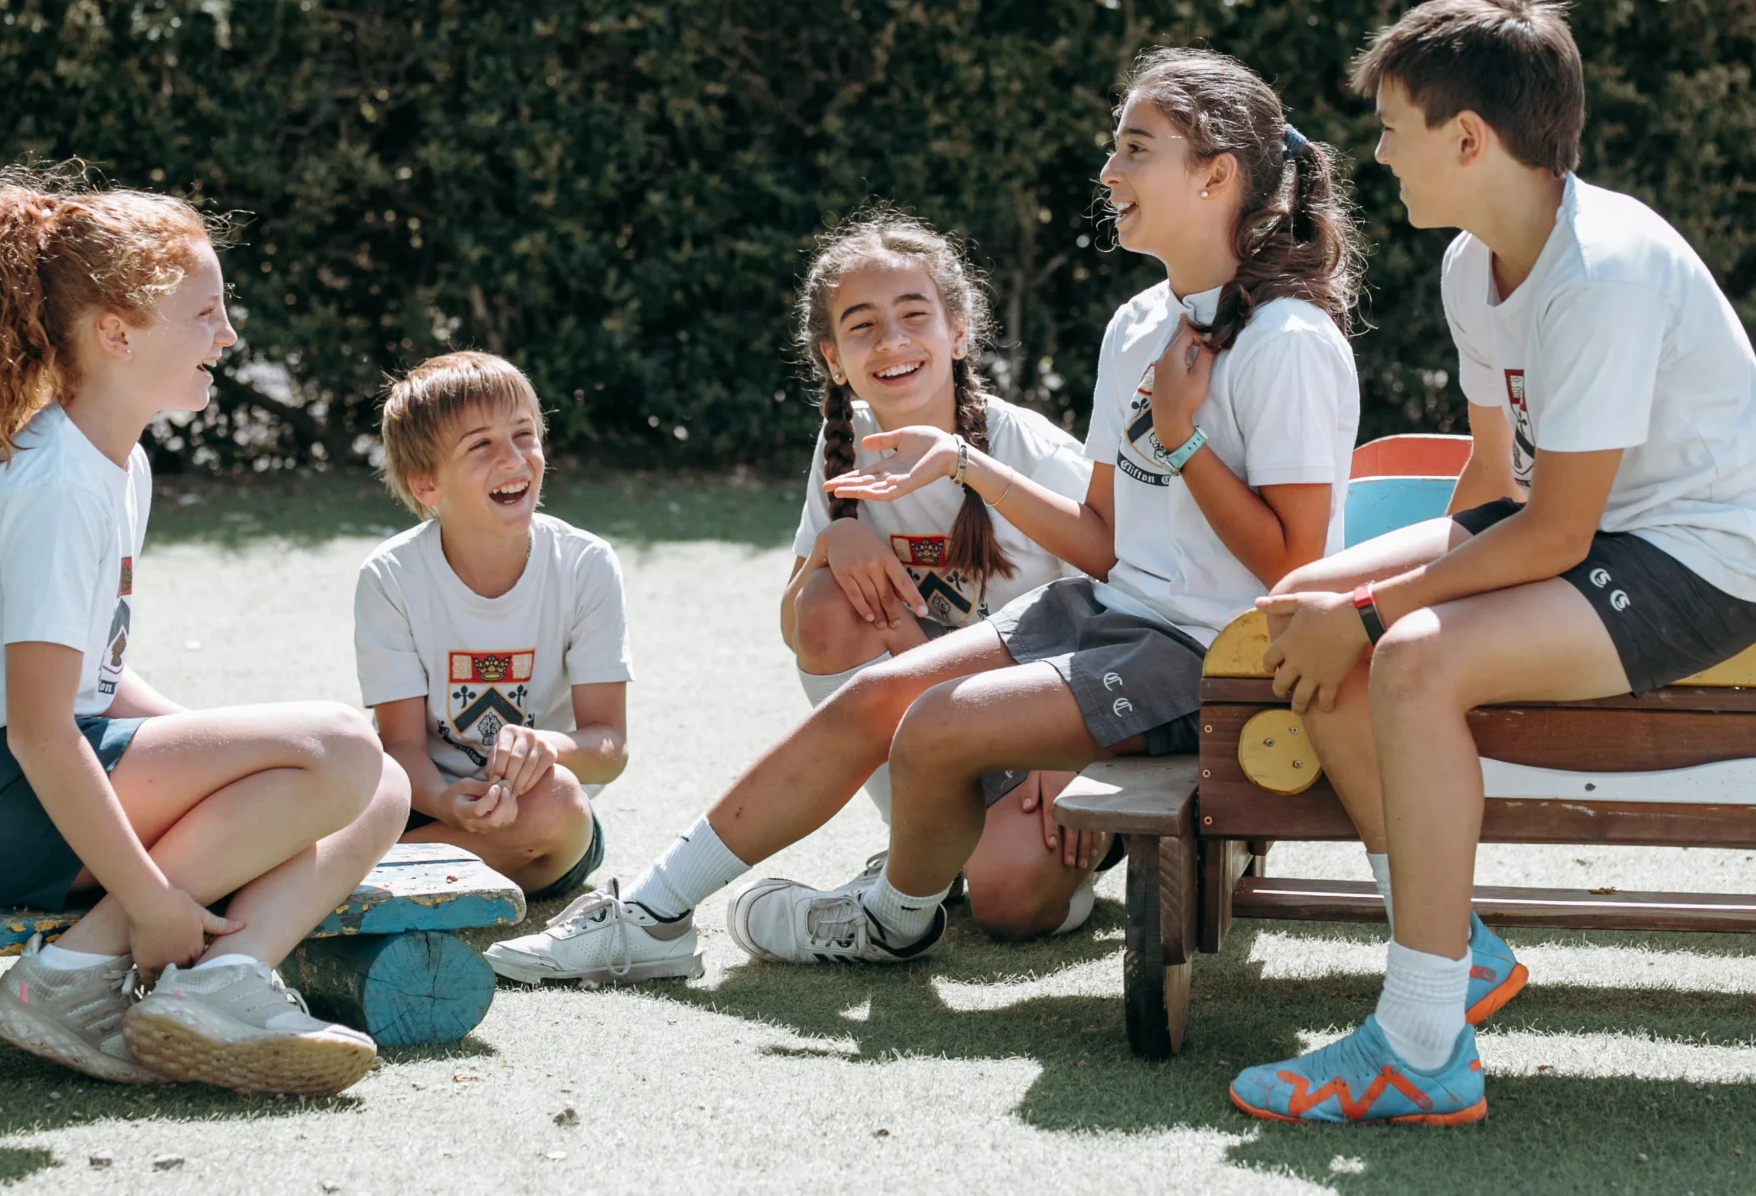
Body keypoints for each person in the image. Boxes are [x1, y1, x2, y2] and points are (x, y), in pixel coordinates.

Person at [482, 48, 1361, 981]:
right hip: (1117, 617)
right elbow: (1105, 541)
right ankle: (646, 916)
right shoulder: (1138, 324)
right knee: (875, 698)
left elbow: (1295, 576)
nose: (1108, 171)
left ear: (1216, 174)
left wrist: (1182, 438)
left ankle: (890, 919)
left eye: (1135, 148)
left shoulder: (1290, 341)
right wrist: (967, 463)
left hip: (1214, 660)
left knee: (937, 728)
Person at [1228, 0, 1756, 1127]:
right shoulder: (1469, 261)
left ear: (1470, 137)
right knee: (1300, 611)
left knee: (1408, 659)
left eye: (1394, 132)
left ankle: (1419, 1042)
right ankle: (1458, 955)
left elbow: (1557, 529)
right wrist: (1346, 593)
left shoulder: (1600, 272)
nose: (1380, 155)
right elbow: (1495, 484)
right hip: (1600, 539)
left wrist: (1386, 613)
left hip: (1704, 560)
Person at [0, 165, 409, 1095]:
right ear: (116, 333)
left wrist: (238, 759)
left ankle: (222, 984)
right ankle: (74, 975)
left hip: (21, 781)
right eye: (204, 312)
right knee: (336, 748)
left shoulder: (118, 466)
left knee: (377, 785)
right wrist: (153, 896)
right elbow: (39, 729)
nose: (228, 333)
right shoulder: (58, 486)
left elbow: (94, 683)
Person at [781, 210, 1113, 937]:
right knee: (828, 603)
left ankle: (1101, 848)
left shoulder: (1024, 447)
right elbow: (797, 628)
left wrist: (1080, 754)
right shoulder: (846, 446)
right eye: (862, 325)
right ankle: (926, 835)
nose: (892, 342)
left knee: (1009, 904)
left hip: (1050, 726)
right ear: (833, 356)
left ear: (958, 331)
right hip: (945, 724)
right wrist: (835, 542)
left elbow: (1125, 589)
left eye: (913, 316)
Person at [355, 352, 632, 928]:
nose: (514, 458)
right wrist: (445, 801)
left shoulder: (586, 565)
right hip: (423, 807)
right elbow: (401, 747)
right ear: (426, 483)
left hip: (544, 824)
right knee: (336, 770)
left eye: (524, 434)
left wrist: (549, 749)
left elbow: (609, 746)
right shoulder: (390, 576)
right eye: (480, 445)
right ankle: (398, 874)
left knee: (556, 803)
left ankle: (348, 879)